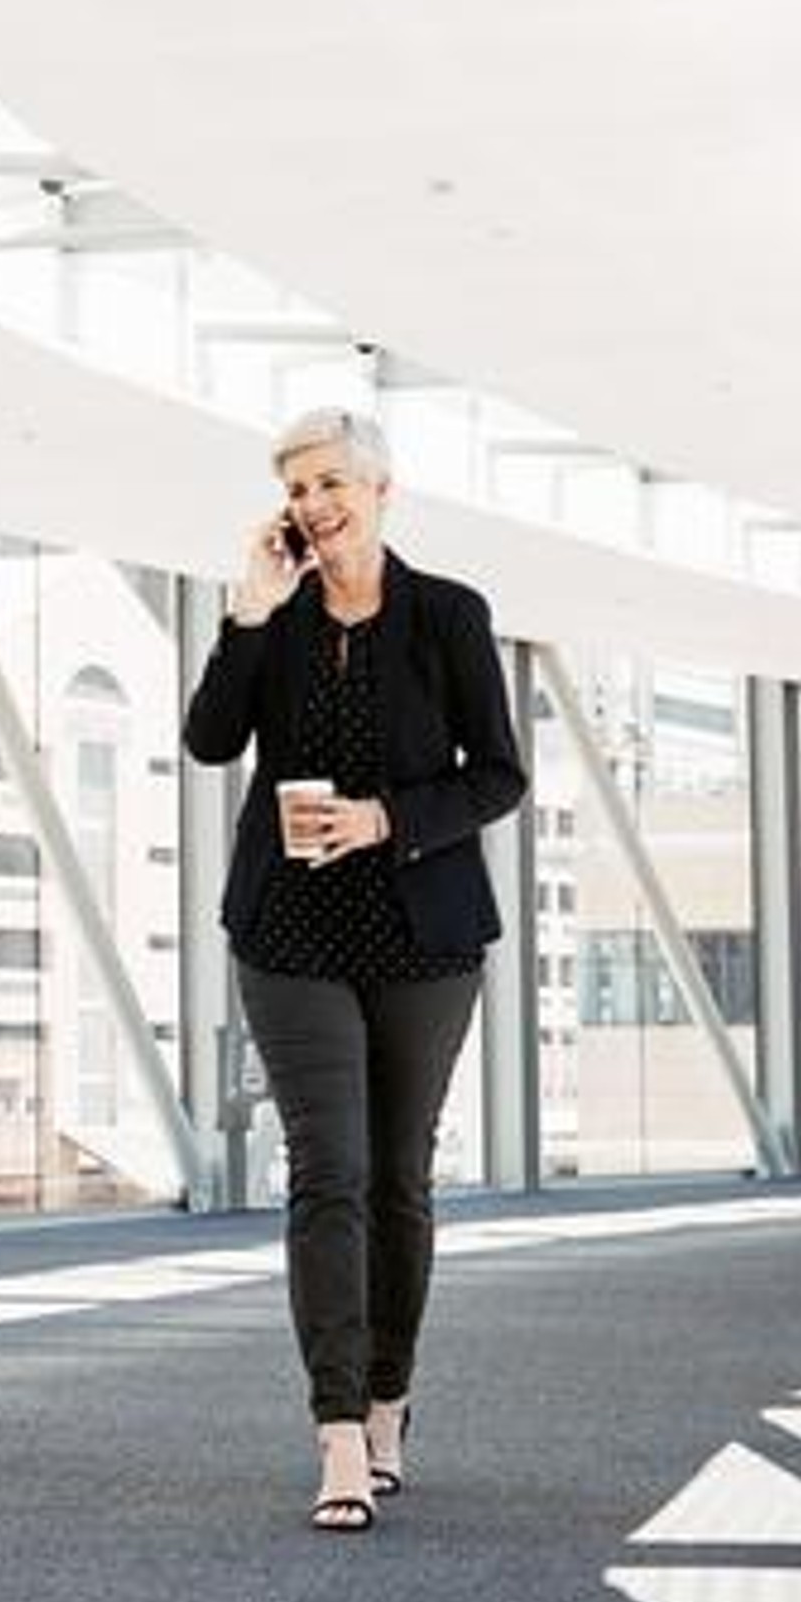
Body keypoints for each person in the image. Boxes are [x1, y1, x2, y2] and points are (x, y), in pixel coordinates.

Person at [186, 407, 529, 1532]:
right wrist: (248, 609)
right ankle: (336, 1430)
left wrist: (386, 818)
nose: (314, 503)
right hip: (289, 931)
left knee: (397, 1180)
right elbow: (209, 740)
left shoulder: (449, 614)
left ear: (382, 490)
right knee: (327, 1170)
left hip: (422, 935)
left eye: (332, 481)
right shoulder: (275, 619)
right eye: (297, 488)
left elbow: (499, 775)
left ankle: (388, 1400)